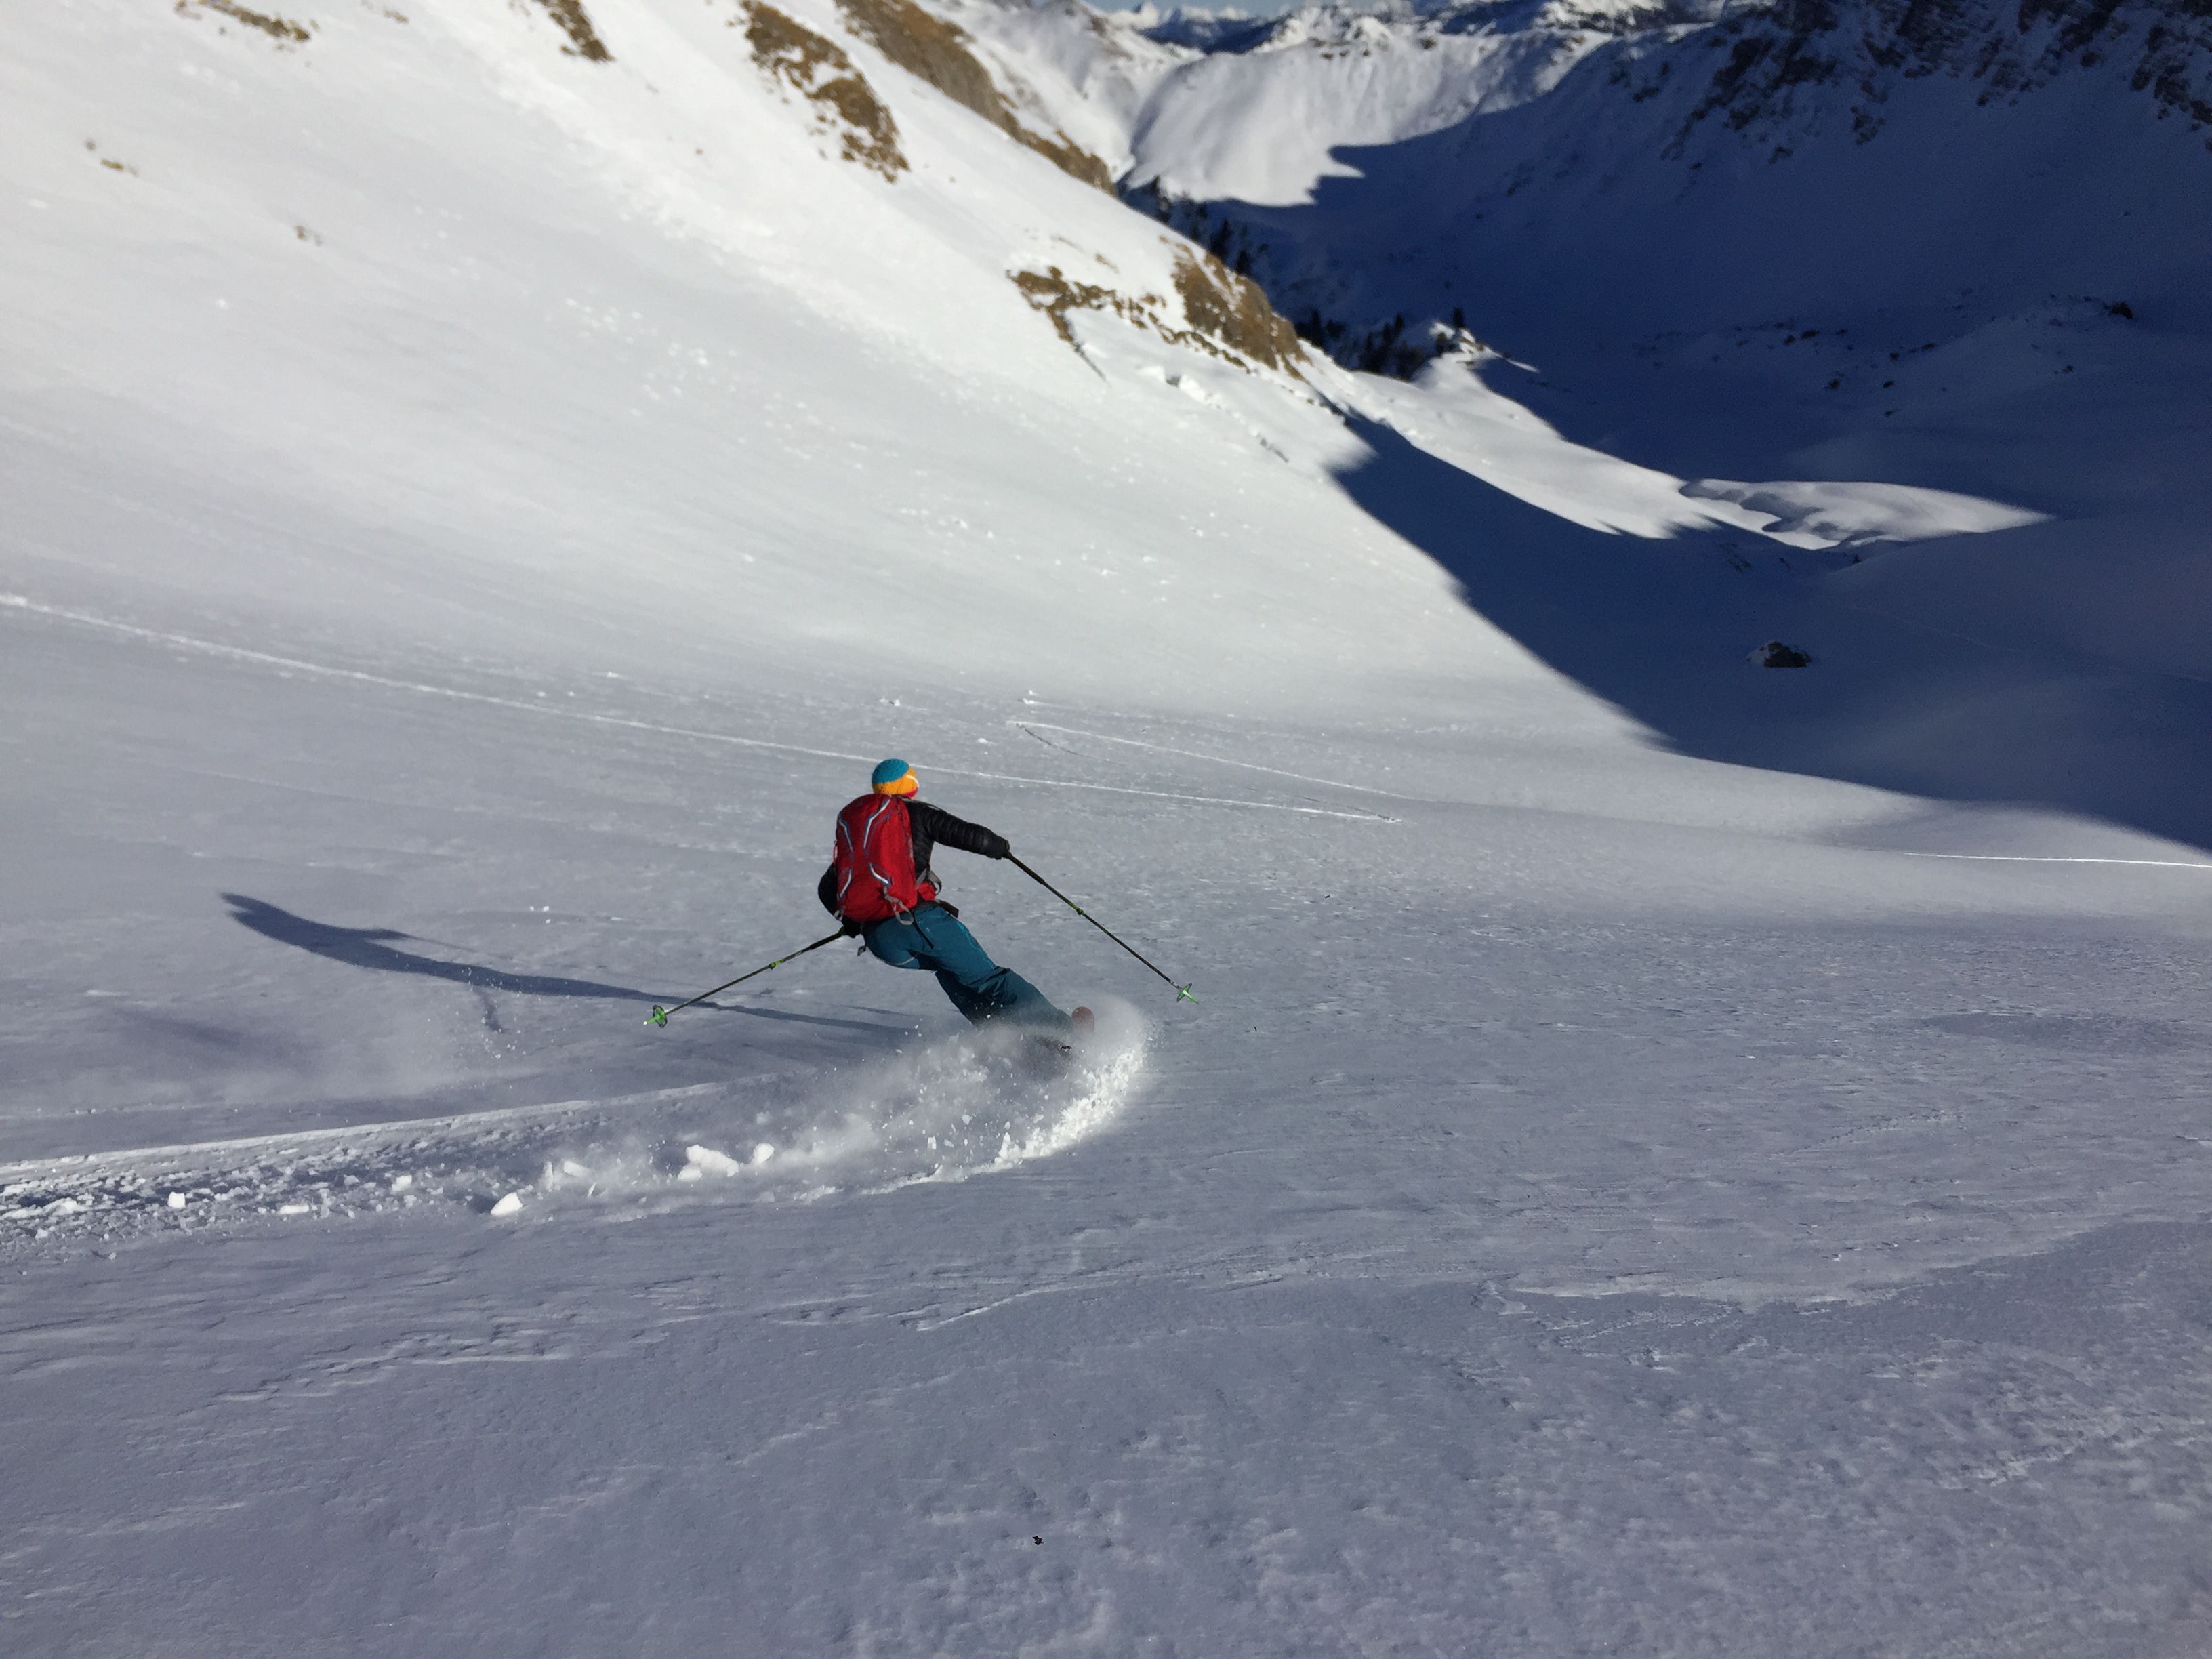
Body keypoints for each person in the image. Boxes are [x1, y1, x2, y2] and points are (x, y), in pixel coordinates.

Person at [819, 759, 1092, 1040]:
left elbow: (827, 890)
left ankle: (1009, 1041)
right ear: (908, 785)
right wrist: (999, 847)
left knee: (951, 973)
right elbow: (965, 834)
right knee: (989, 979)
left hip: (882, 942)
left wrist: (854, 922)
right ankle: (1067, 1034)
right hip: (918, 922)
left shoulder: (863, 835)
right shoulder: (916, 813)